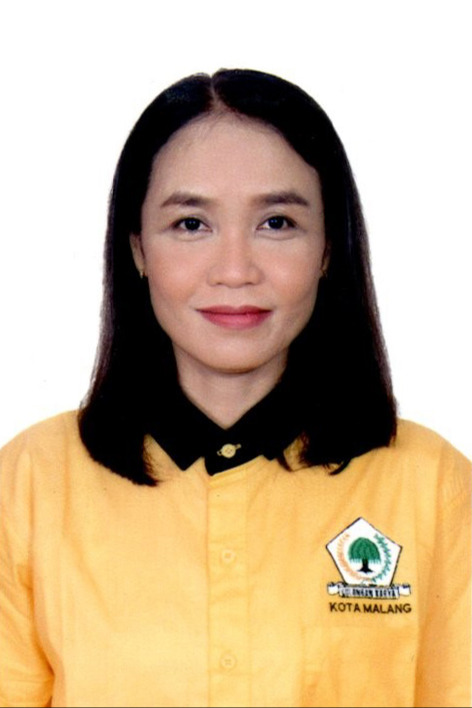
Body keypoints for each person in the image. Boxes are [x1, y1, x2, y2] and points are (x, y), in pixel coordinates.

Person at [0, 69, 470, 708]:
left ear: (328, 248)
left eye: (276, 222)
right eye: (191, 224)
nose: (235, 271)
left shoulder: (433, 487)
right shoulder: (30, 483)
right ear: (137, 248)